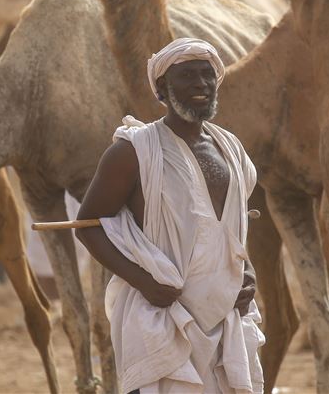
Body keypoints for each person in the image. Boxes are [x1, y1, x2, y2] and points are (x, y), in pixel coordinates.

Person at [76, 38, 264, 393]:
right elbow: (89, 226)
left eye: (207, 75)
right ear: (162, 88)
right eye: (188, 76)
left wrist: (246, 273)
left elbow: (230, 229)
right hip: (160, 317)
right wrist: (144, 282)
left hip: (225, 316)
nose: (201, 84)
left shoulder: (231, 149)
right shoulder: (134, 151)